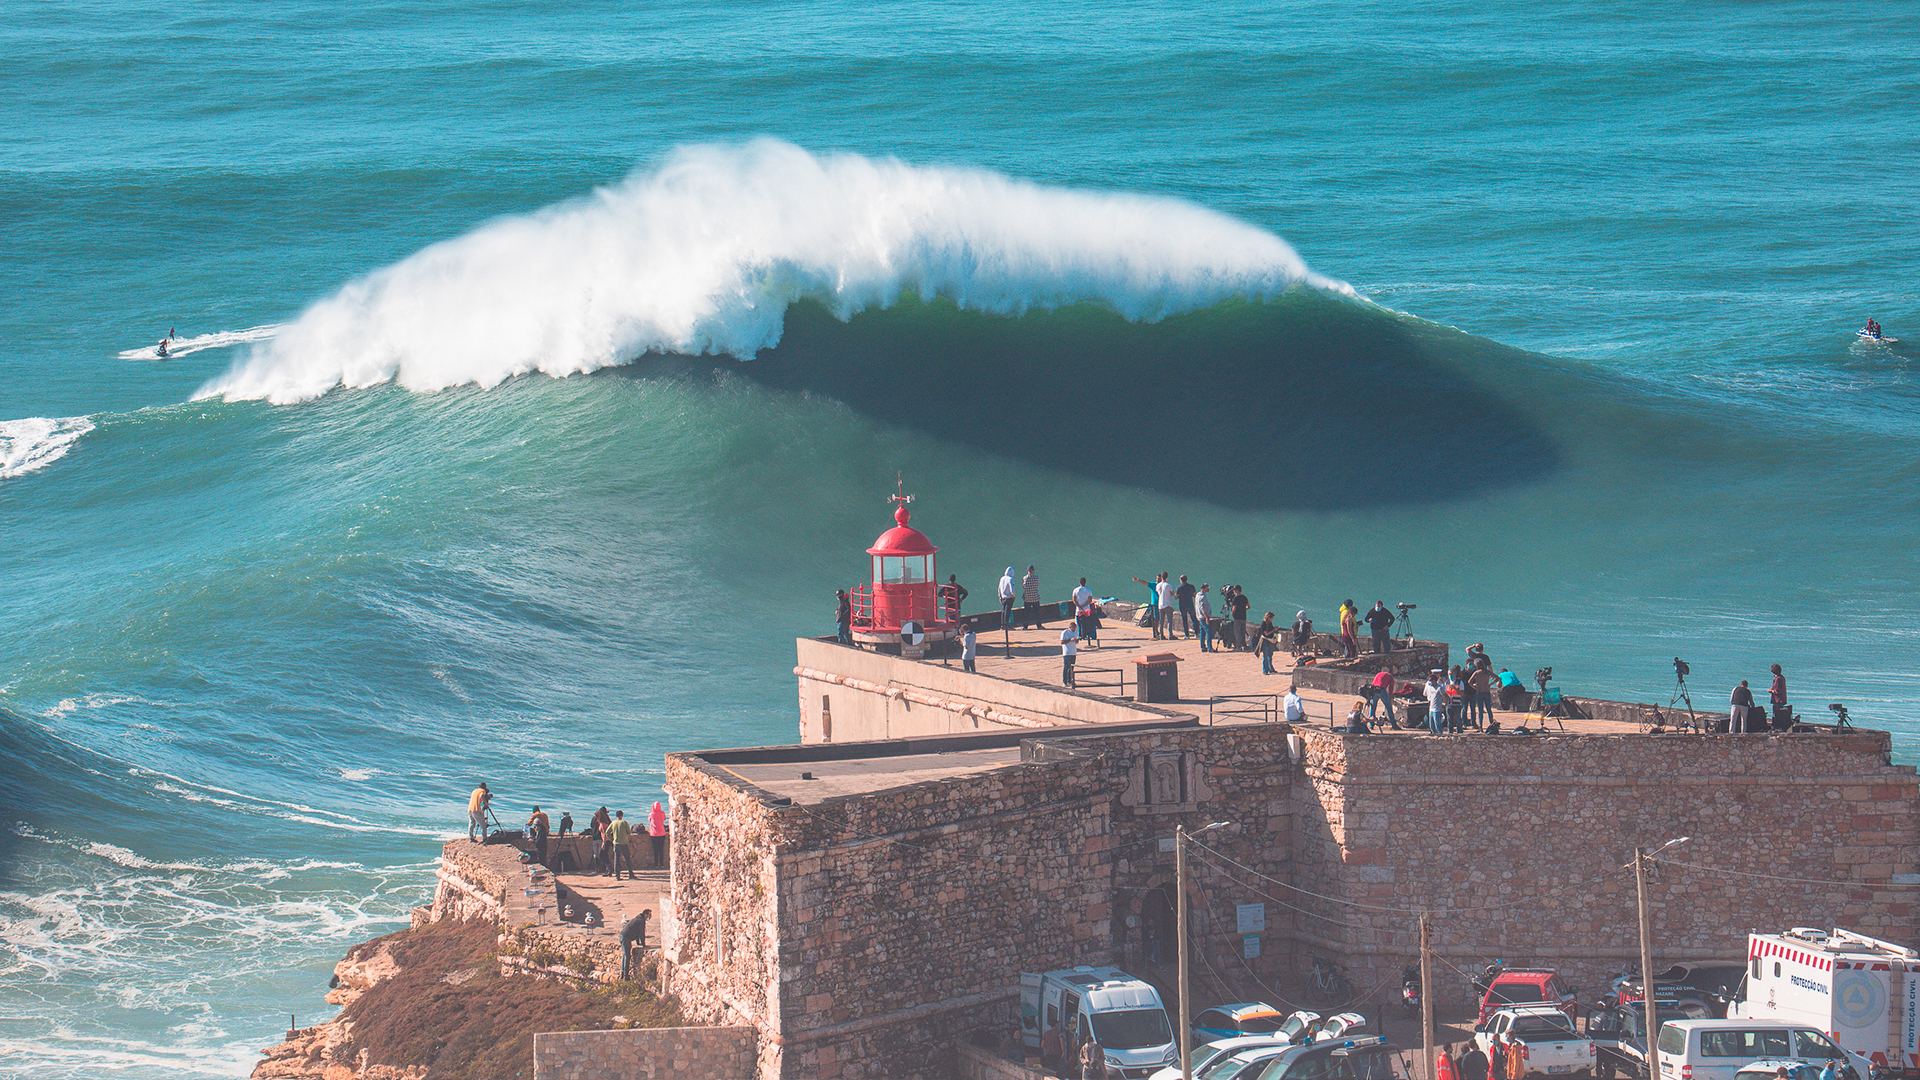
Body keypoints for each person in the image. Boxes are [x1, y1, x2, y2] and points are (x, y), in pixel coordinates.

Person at [619, 908, 653, 981]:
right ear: (645, 914)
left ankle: (623, 974)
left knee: (625, 956)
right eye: (649, 915)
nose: (649, 917)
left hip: (623, 937)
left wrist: (638, 943)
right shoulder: (640, 921)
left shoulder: (638, 919)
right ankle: (625, 975)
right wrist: (644, 945)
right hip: (625, 938)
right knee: (626, 956)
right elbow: (641, 933)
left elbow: (637, 932)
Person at [608, 810, 634, 880]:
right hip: (624, 843)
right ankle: (631, 874)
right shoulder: (624, 823)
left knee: (616, 859)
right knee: (628, 859)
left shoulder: (613, 823)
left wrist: (612, 839)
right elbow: (629, 832)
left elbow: (607, 833)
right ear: (621, 816)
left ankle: (617, 876)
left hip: (616, 843)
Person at [1468, 663, 1494, 728]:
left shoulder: (1476, 673)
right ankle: (1491, 723)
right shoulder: (1487, 672)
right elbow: (1497, 678)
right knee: (1489, 710)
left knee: (1480, 710)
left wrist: (1475, 687)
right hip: (1486, 691)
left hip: (1479, 692)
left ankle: (1480, 725)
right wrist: (1490, 685)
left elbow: (1469, 682)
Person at [1022, 565, 1047, 630]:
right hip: (1035, 598)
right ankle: (1039, 625)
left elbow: (1024, 586)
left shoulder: (1025, 578)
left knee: (1026, 613)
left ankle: (1025, 626)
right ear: (1033, 571)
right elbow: (1038, 584)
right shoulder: (1036, 577)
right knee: (1037, 612)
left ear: (1027, 571)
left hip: (1027, 598)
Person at [590, 806, 612, 874]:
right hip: (601, 839)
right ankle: (605, 868)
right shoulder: (605, 820)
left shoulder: (595, 819)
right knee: (602, 854)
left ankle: (598, 868)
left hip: (595, 837)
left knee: (597, 854)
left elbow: (591, 825)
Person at [1228, 586, 1251, 651]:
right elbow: (1249, 606)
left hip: (1237, 618)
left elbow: (1234, 608)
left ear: (1236, 591)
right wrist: (1243, 609)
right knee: (1243, 632)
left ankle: (1238, 646)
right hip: (1243, 617)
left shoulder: (1236, 598)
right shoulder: (1244, 597)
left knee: (1237, 632)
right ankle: (1244, 645)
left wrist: (1232, 613)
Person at [1425, 670, 1447, 735]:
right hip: (1431, 709)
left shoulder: (1439, 688)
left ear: (1434, 681)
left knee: (1437, 724)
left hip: (1437, 709)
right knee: (1431, 726)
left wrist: (1444, 706)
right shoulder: (1430, 688)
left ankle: (1441, 735)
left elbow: (1446, 697)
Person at [647, 800, 668, 867]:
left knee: (655, 850)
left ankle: (656, 864)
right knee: (661, 849)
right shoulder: (662, 813)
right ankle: (661, 864)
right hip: (662, 833)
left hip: (654, 834)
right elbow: (664, 819)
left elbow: (649, 819)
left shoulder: (652, 814)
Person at [1156, 572, 1177, 637]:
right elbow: (1172, 593)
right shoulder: (1169, 585)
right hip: (1168, 604)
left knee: (1161, 621)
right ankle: (1170, 634)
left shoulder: (1158, 585)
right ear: (1167, 577)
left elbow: (1158, 592)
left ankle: (1161, 634)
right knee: (1169, 621)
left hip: (1160, 604)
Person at [1769, 663, 1790, 729]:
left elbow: (1777, 691)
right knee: (1781, 715)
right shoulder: (1782, 677)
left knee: (1777, 715)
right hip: (1782, 699)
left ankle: (1778, 728)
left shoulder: (1778, 679)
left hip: (1778, 700)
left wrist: (1771, 691)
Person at [1196, 584, 1215, 652]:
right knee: (1209, 631)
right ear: (1203, 589)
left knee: (1202, 633)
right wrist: (1206, 617)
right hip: (1203, 617)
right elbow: (1203, 608)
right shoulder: (1202, 597)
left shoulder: (1198, 595)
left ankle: (1203, 647)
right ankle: (1210, 647)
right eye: (1207, 588)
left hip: (1200, 617)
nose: (1208, 589)